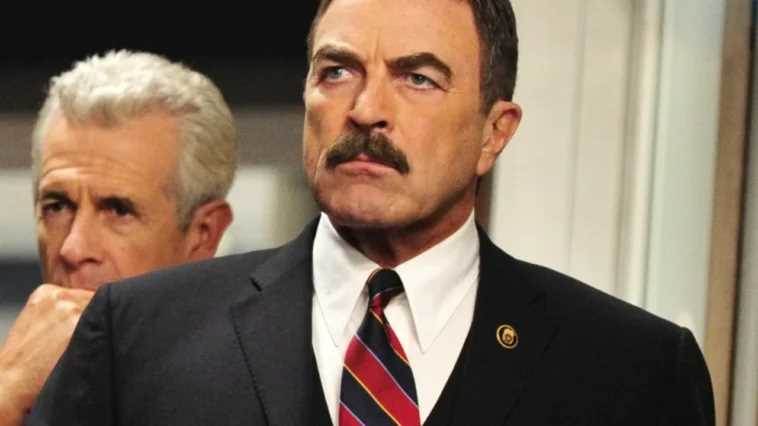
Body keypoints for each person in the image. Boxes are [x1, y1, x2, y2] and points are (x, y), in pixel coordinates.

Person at [28, 2, 714, 425]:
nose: (365, 109)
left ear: (493, 132)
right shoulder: (136, 337)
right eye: (337, 72)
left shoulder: (634, 371)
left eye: (418, 78)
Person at [0, 50, 237, 425]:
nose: (73, 248)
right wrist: (8, 392)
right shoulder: (13, 388)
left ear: (202, 234)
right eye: (57, 206)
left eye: (118, 210)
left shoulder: (265, 400)